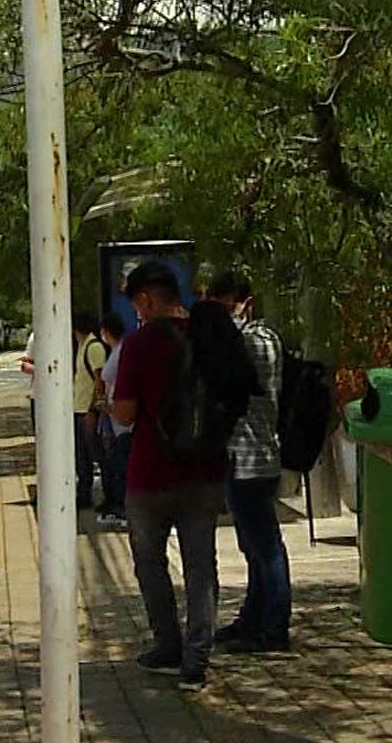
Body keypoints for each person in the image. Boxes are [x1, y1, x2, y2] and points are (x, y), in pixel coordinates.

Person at [110, 262, 257, 690]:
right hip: (205, 471)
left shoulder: (139, 344)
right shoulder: (208, 335)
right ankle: (197, 659)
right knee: (201, 565)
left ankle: (167, 646)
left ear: (145, 300)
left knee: (149, 563)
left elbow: (124, 413)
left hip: (150, 475)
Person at [207, 271, 293, 653]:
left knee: (266, 546)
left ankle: (274, 627)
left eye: (229, 305)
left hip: (251, 456)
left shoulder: (253, 341)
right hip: (250, 456)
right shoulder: (258, 337)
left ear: (246, 303)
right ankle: (254, 618)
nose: (226, 313)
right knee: (254, 547)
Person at [95, 311, 130, 528]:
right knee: (116, 462)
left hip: (122, 421)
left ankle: (122, 507)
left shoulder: (121, 352)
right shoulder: (116, 351)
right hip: (114, 419)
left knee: (122, 465)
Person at [71, 312, 107, 511]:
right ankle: (83, 494)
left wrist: (94, 409)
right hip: (80, 409)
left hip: (88, 411)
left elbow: (99, 380)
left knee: (94, 455)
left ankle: (98, 495)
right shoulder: (84, 346)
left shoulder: (93, 347)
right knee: (82, 456)